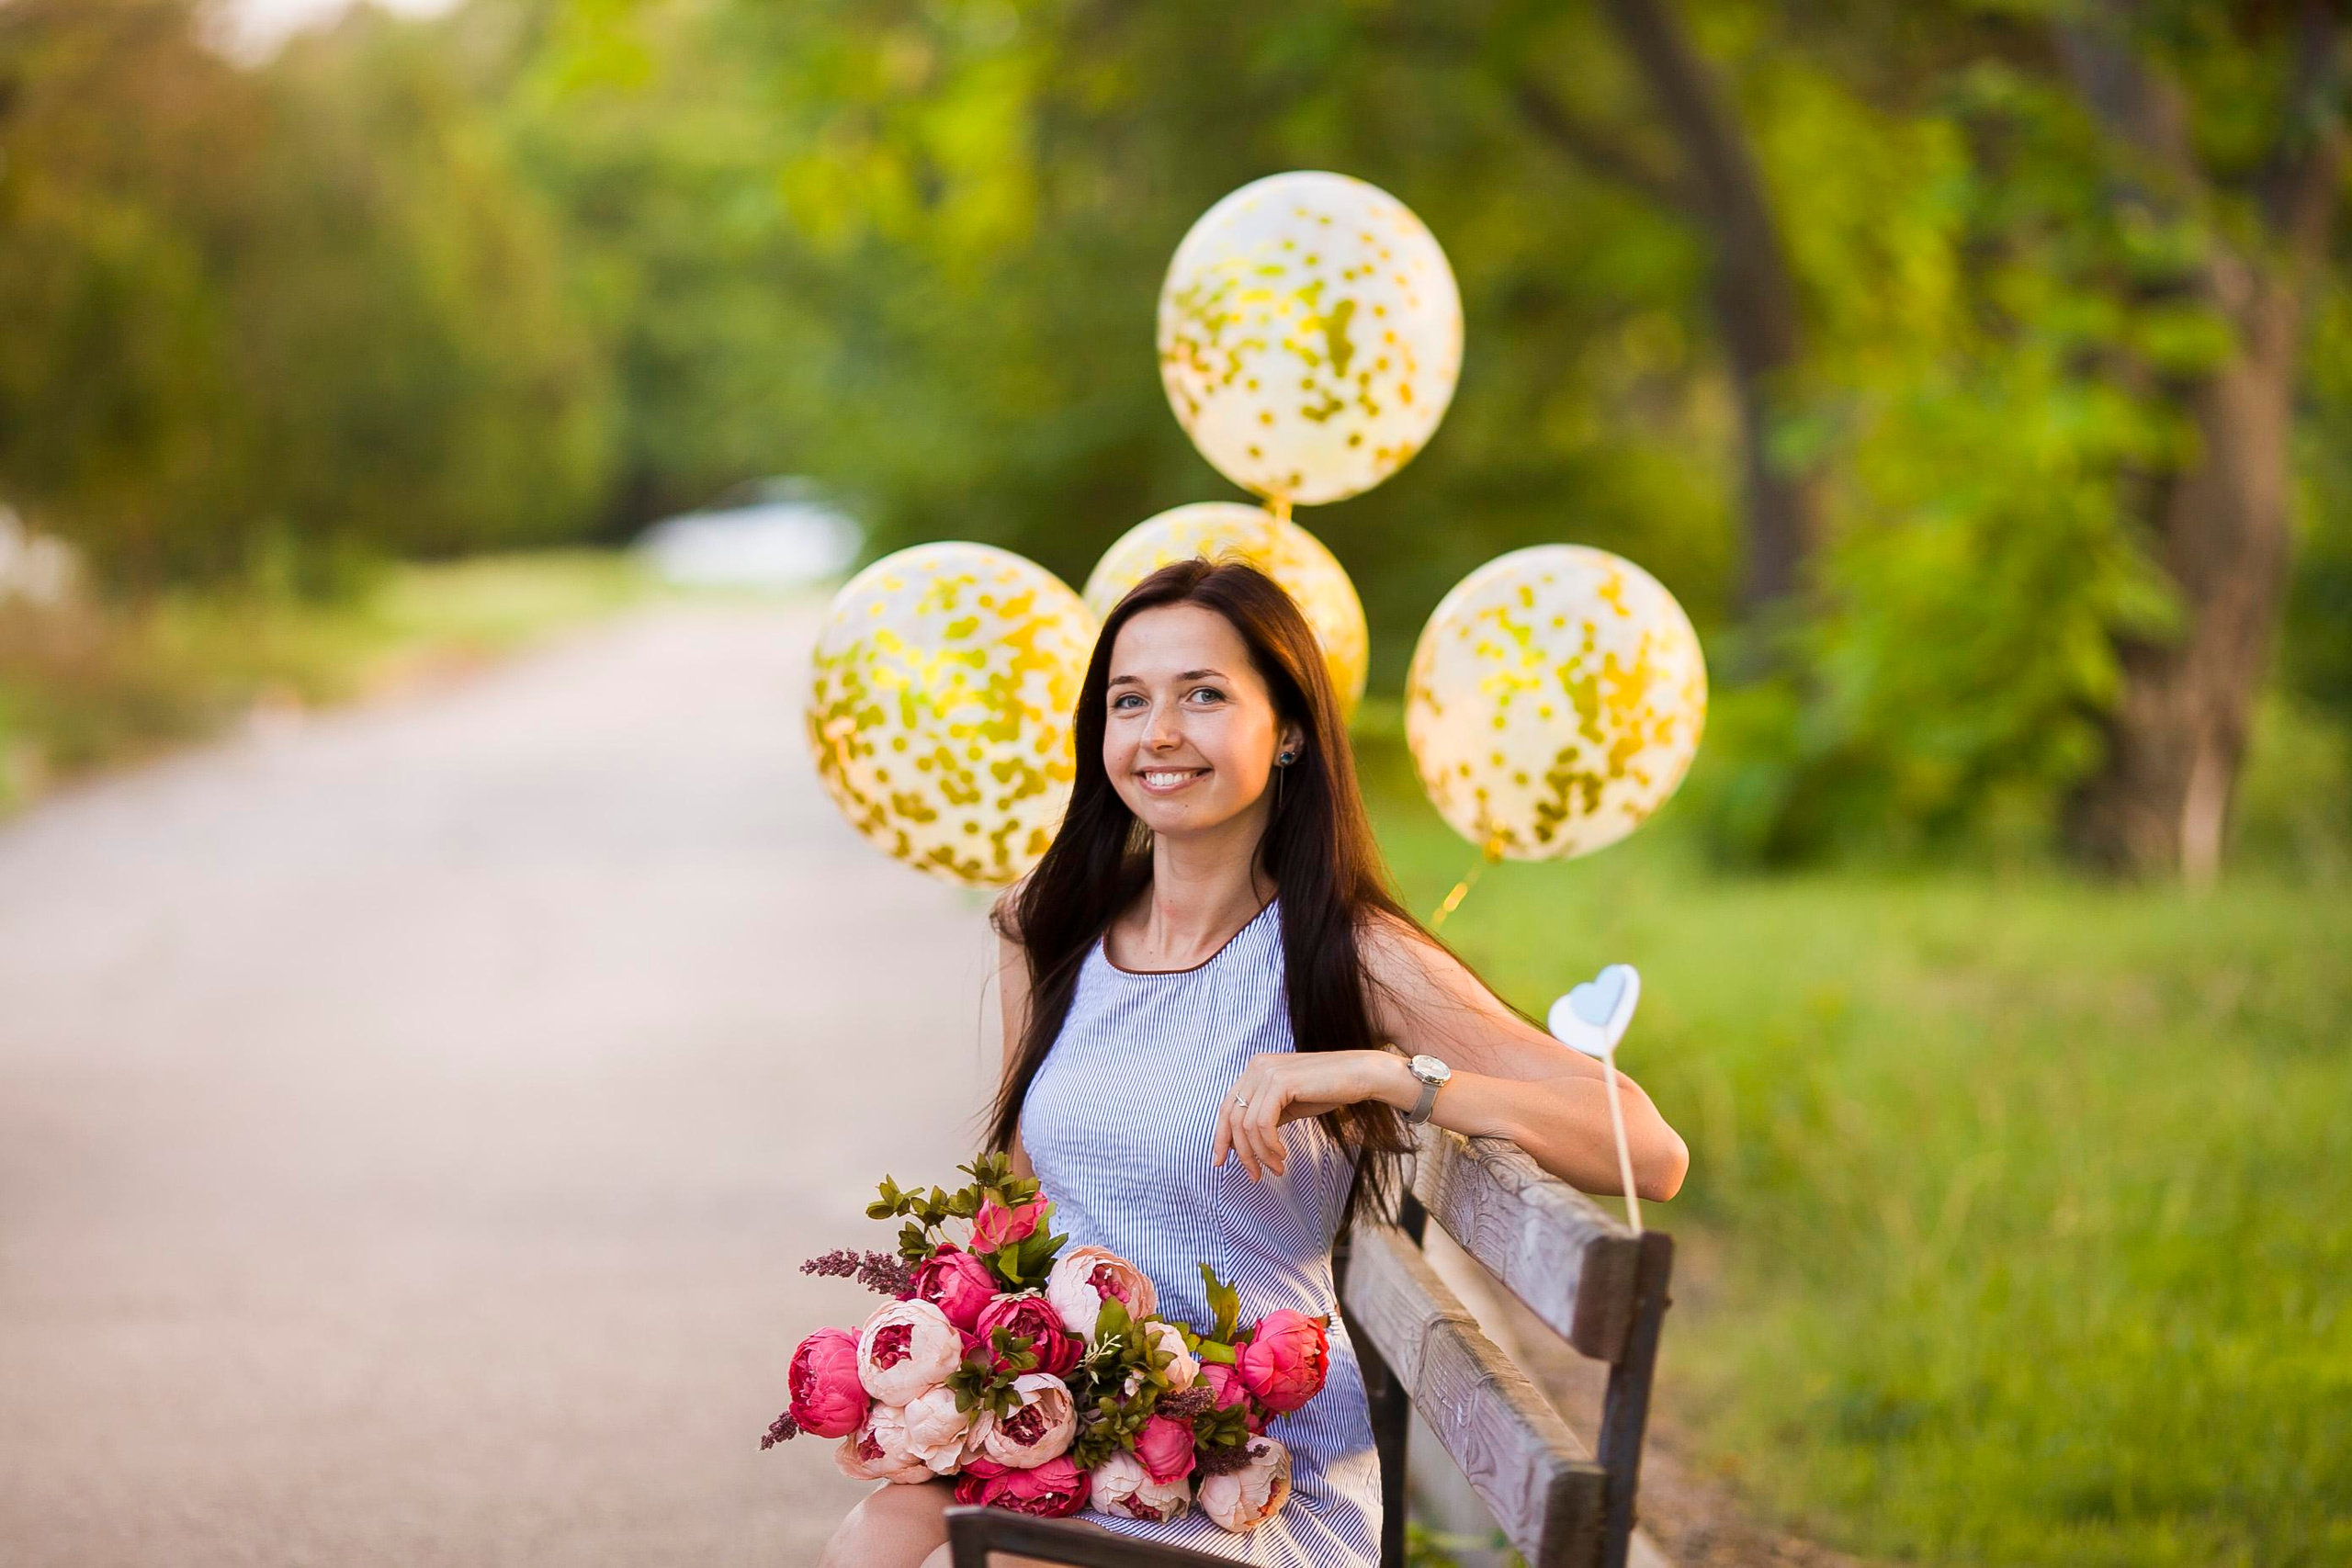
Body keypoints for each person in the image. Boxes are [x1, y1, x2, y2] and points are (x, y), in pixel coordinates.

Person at [819, 558, 1689, 1567]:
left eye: (1204, 695)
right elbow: (1018, 1205)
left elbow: (1648, 1148)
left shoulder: (1345, 953)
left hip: (1252, 1478)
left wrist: (1387, 1076)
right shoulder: (1049, 929)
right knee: (873, 1545)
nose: (1159, 734)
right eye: (1129, 700)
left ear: (1284, 732)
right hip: (1070, 1440)